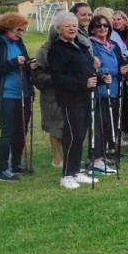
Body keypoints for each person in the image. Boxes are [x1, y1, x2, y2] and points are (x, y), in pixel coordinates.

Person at [47, 12, 99, 190]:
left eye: (74, 26)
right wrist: (83, 83)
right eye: (67, 25)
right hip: (70, 99)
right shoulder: (57, 50)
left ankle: (76, 171)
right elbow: (58, 78)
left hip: (84, 97)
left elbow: (84, 67)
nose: (72, 28)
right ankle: (66, 175)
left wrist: (93, 65)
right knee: (72, 135)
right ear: (59, 29)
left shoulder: (78, 46)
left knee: (80, 136)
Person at [0, 12, 34, 182]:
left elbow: (23, 62)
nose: (21, 33)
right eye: (18, 29)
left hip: (24, 94)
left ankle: (16, 164)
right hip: (5, 96)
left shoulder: (19, 43)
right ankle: (2, 170)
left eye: (23, 30)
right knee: (8, 132)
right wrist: (12, 63)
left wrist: (29, 63)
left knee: (21, 130)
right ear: (7, 28)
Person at [88, 14, 127, 173]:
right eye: (98, 26)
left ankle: (109, 149)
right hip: (100, 90)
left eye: (105, 26)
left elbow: (121, 62)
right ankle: (97, 155)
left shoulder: (113, 45)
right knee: (100, 124)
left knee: (112, 120)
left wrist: (125, 67)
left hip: (115, 88)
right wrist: (108, 71)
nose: (102, 28)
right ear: (92, 29)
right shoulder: (91, 45)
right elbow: (92, 66)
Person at [31, 28, 64, 169]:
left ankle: (68, 156)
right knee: (55, 127)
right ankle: (57, 158)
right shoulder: (44, 52)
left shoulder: (71, 48)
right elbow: (36, 76)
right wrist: (55, 79)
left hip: (69, 94)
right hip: (51, 95)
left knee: (67, 126)